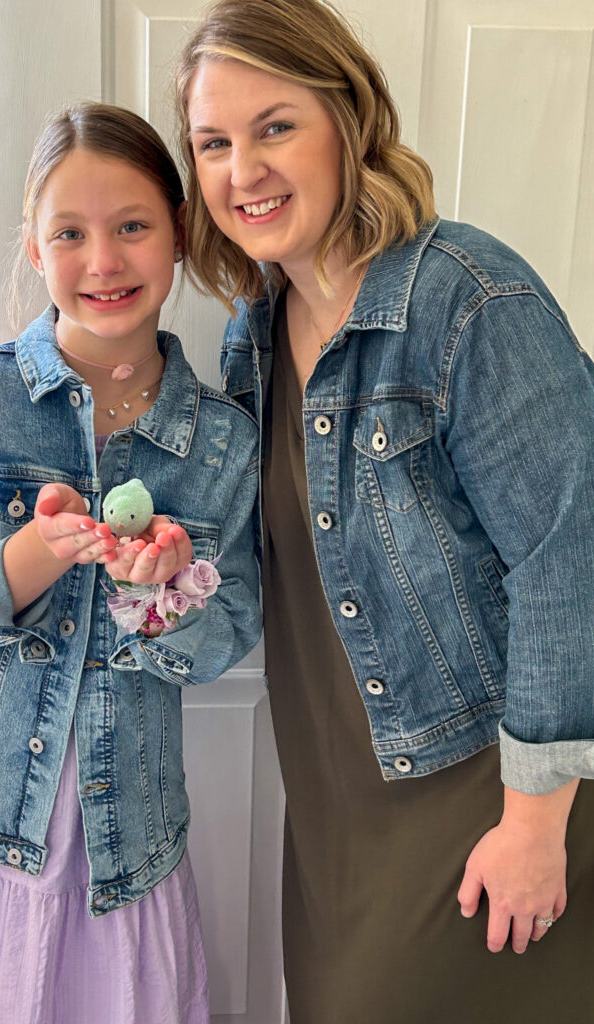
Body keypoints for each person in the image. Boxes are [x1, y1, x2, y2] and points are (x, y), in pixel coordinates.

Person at [174, 1, 594, 1021]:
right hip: (334, 806)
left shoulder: (472, 300)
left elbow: (568, 558)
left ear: (351, 118)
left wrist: (536, 826)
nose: (243, 171)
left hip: (480, 793)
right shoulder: (258, 332)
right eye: (213, 143)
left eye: (275, 127)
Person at [0, 102, 261, 1024]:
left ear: (177, 234)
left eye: (132, 227)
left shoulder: (220, 445)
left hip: (126, 849)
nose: (104, 261)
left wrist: (157, 594)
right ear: (36, 251)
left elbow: (227, 634)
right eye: (70, 233)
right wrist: (27, 559)